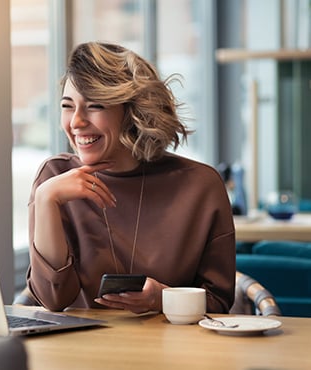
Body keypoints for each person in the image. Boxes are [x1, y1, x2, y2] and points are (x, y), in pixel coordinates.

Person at [24, 41, 236, 314]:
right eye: (68, 106)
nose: (76, 122)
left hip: (174, 352)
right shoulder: (53, 179)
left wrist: (163, 298)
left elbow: (219, 302)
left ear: (132, 111)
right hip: (79, 352)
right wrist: (45, 200)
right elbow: (52, 300)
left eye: (95, 106)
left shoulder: (200, 186)